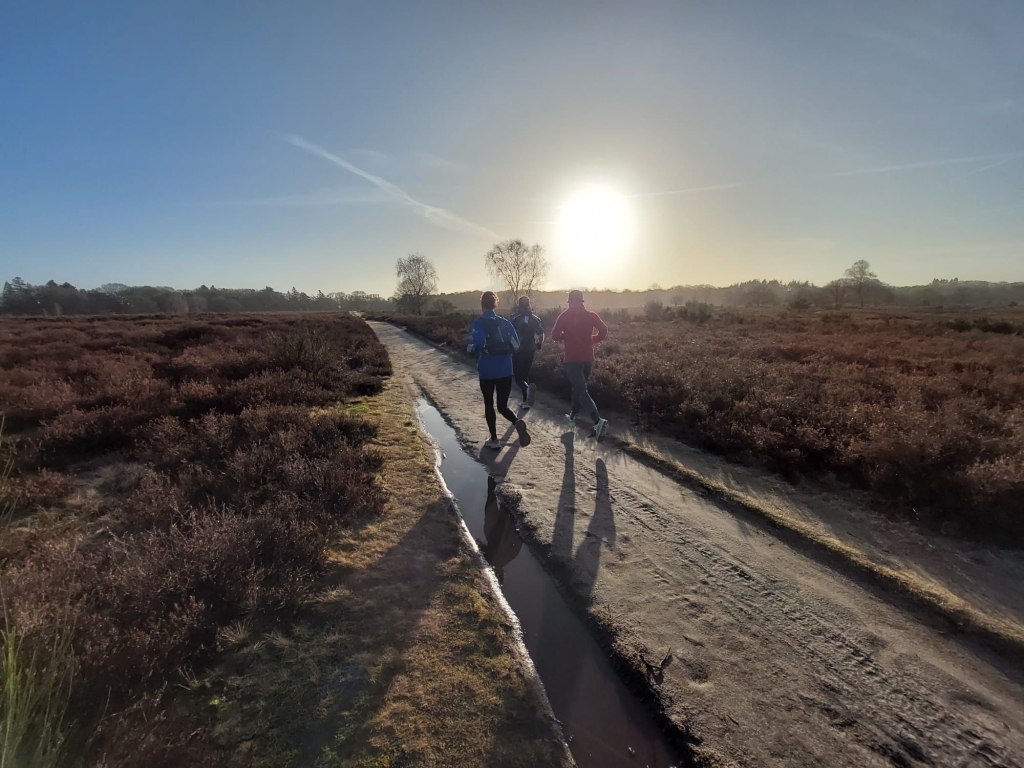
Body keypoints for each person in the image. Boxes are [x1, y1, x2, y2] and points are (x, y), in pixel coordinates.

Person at [468, 291, 532, 450]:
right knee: (502, 406)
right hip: (506, 369)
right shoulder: (506, 323)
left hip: (487, 370)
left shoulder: (479, 323)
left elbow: (480, 343)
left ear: (482, 304)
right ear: (495, 304)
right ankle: (517, 422)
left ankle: (494, 440)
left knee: (489, 404)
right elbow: (516, 346)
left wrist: (471, 347)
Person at [551, 289, 609, 441]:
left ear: (570, 302)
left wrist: (566, 335)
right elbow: (604, 329)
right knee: (579, 388)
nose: (574, 305)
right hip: (587, 359)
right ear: (582, 301)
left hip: (572, 360)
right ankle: (572, 416)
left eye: (573, 302)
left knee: (581, 391)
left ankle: (597, 421)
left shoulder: (564, 316)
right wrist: (594, 339)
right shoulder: (591, 316)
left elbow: (554, 335)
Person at [509, 295, 545, 410]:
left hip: (518, 350)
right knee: (525, 374)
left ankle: (527, 392)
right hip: (530, 349)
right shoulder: (536, 319)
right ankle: (526, 401)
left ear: (519, 305)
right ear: (529, 305)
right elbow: (541, 334)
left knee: (518, 377)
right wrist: (539, 344)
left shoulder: (514, 318)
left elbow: (510, 334)